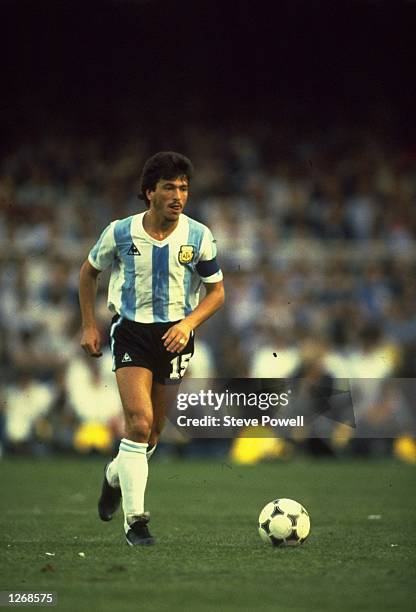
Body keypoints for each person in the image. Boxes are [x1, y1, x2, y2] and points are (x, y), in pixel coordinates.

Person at [78, 151, 224, 546]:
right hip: (131, 333)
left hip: (175, 336)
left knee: (153, 435)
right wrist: (90, 324)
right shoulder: (120, 232)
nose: (179, 195)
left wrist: (189, 323)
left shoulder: (198, 236)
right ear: (149, 193)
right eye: (169, 187)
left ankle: (113, 476)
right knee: (139, 423)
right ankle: (136, 522)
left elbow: (217, 292)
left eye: (184, 187)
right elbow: (89, 272)